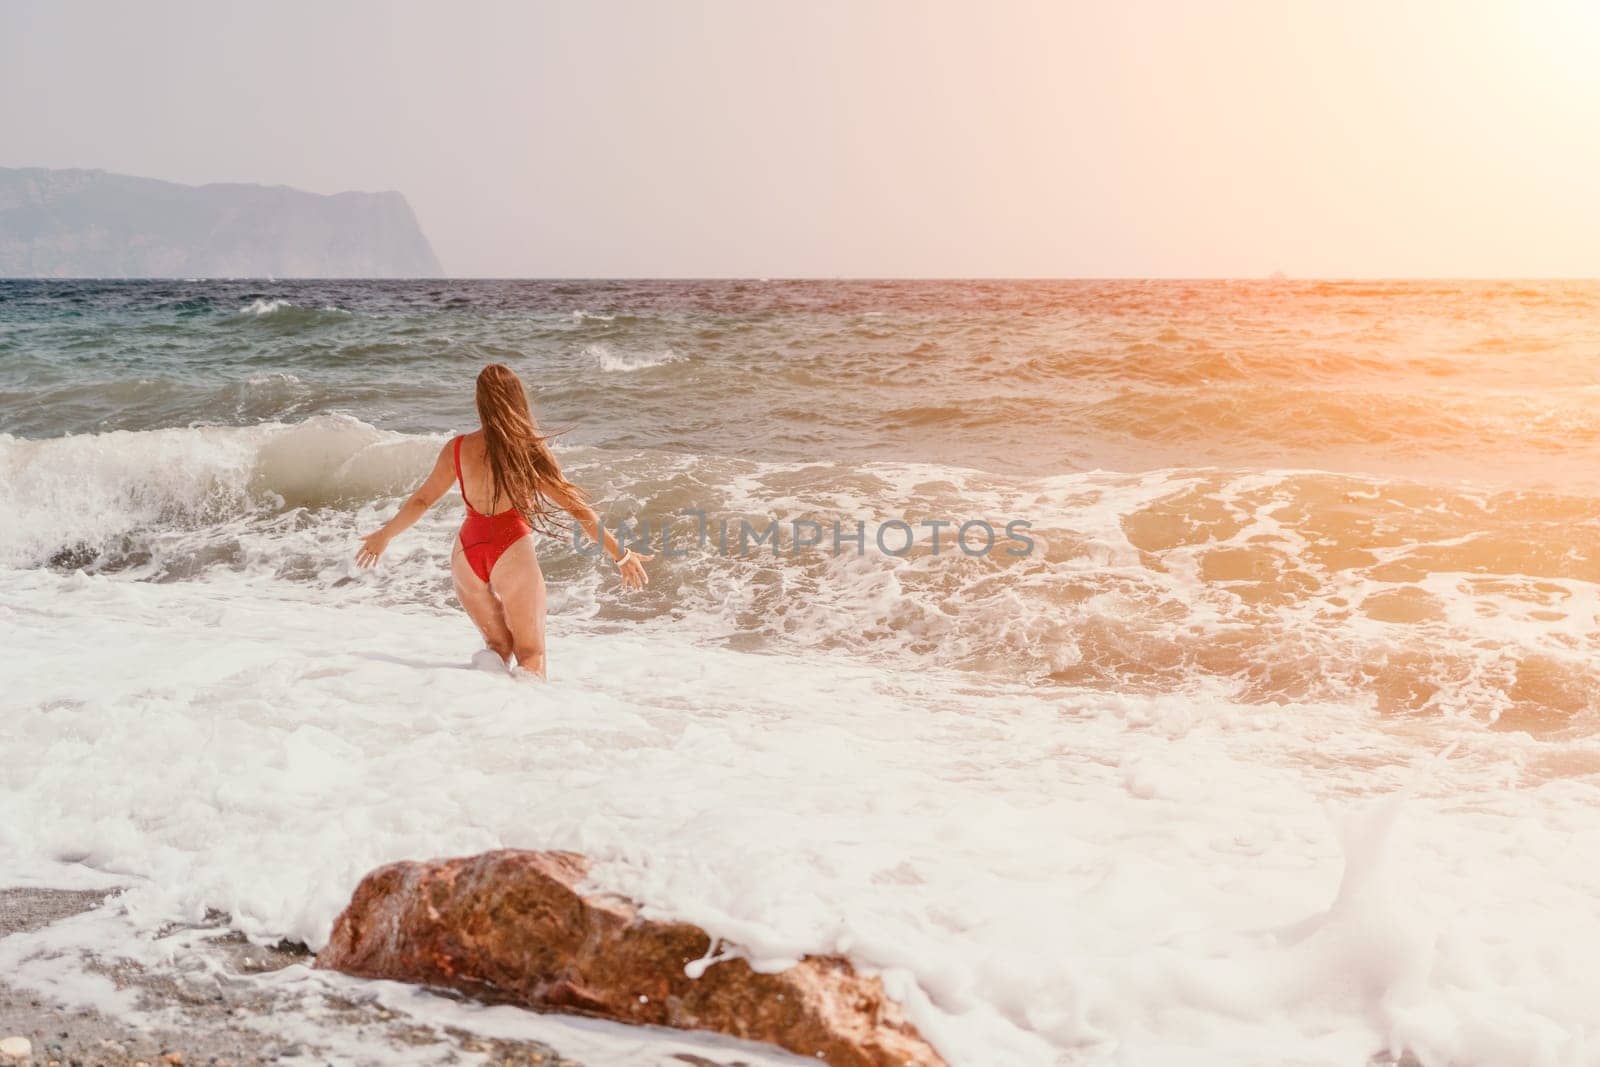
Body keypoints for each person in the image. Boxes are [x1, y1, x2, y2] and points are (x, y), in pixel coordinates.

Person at [355, 363, 650, 678]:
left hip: (466, 554)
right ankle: (520, 721)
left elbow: (421, 500)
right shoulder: (526, 451)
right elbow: (576, 509)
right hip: (510, 548)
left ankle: (485, 712)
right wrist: (621, 554)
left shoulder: (456, 448)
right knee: (531, 655)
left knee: (497, 647)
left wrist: (384, 535)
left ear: (479, 401)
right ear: (517, 399)